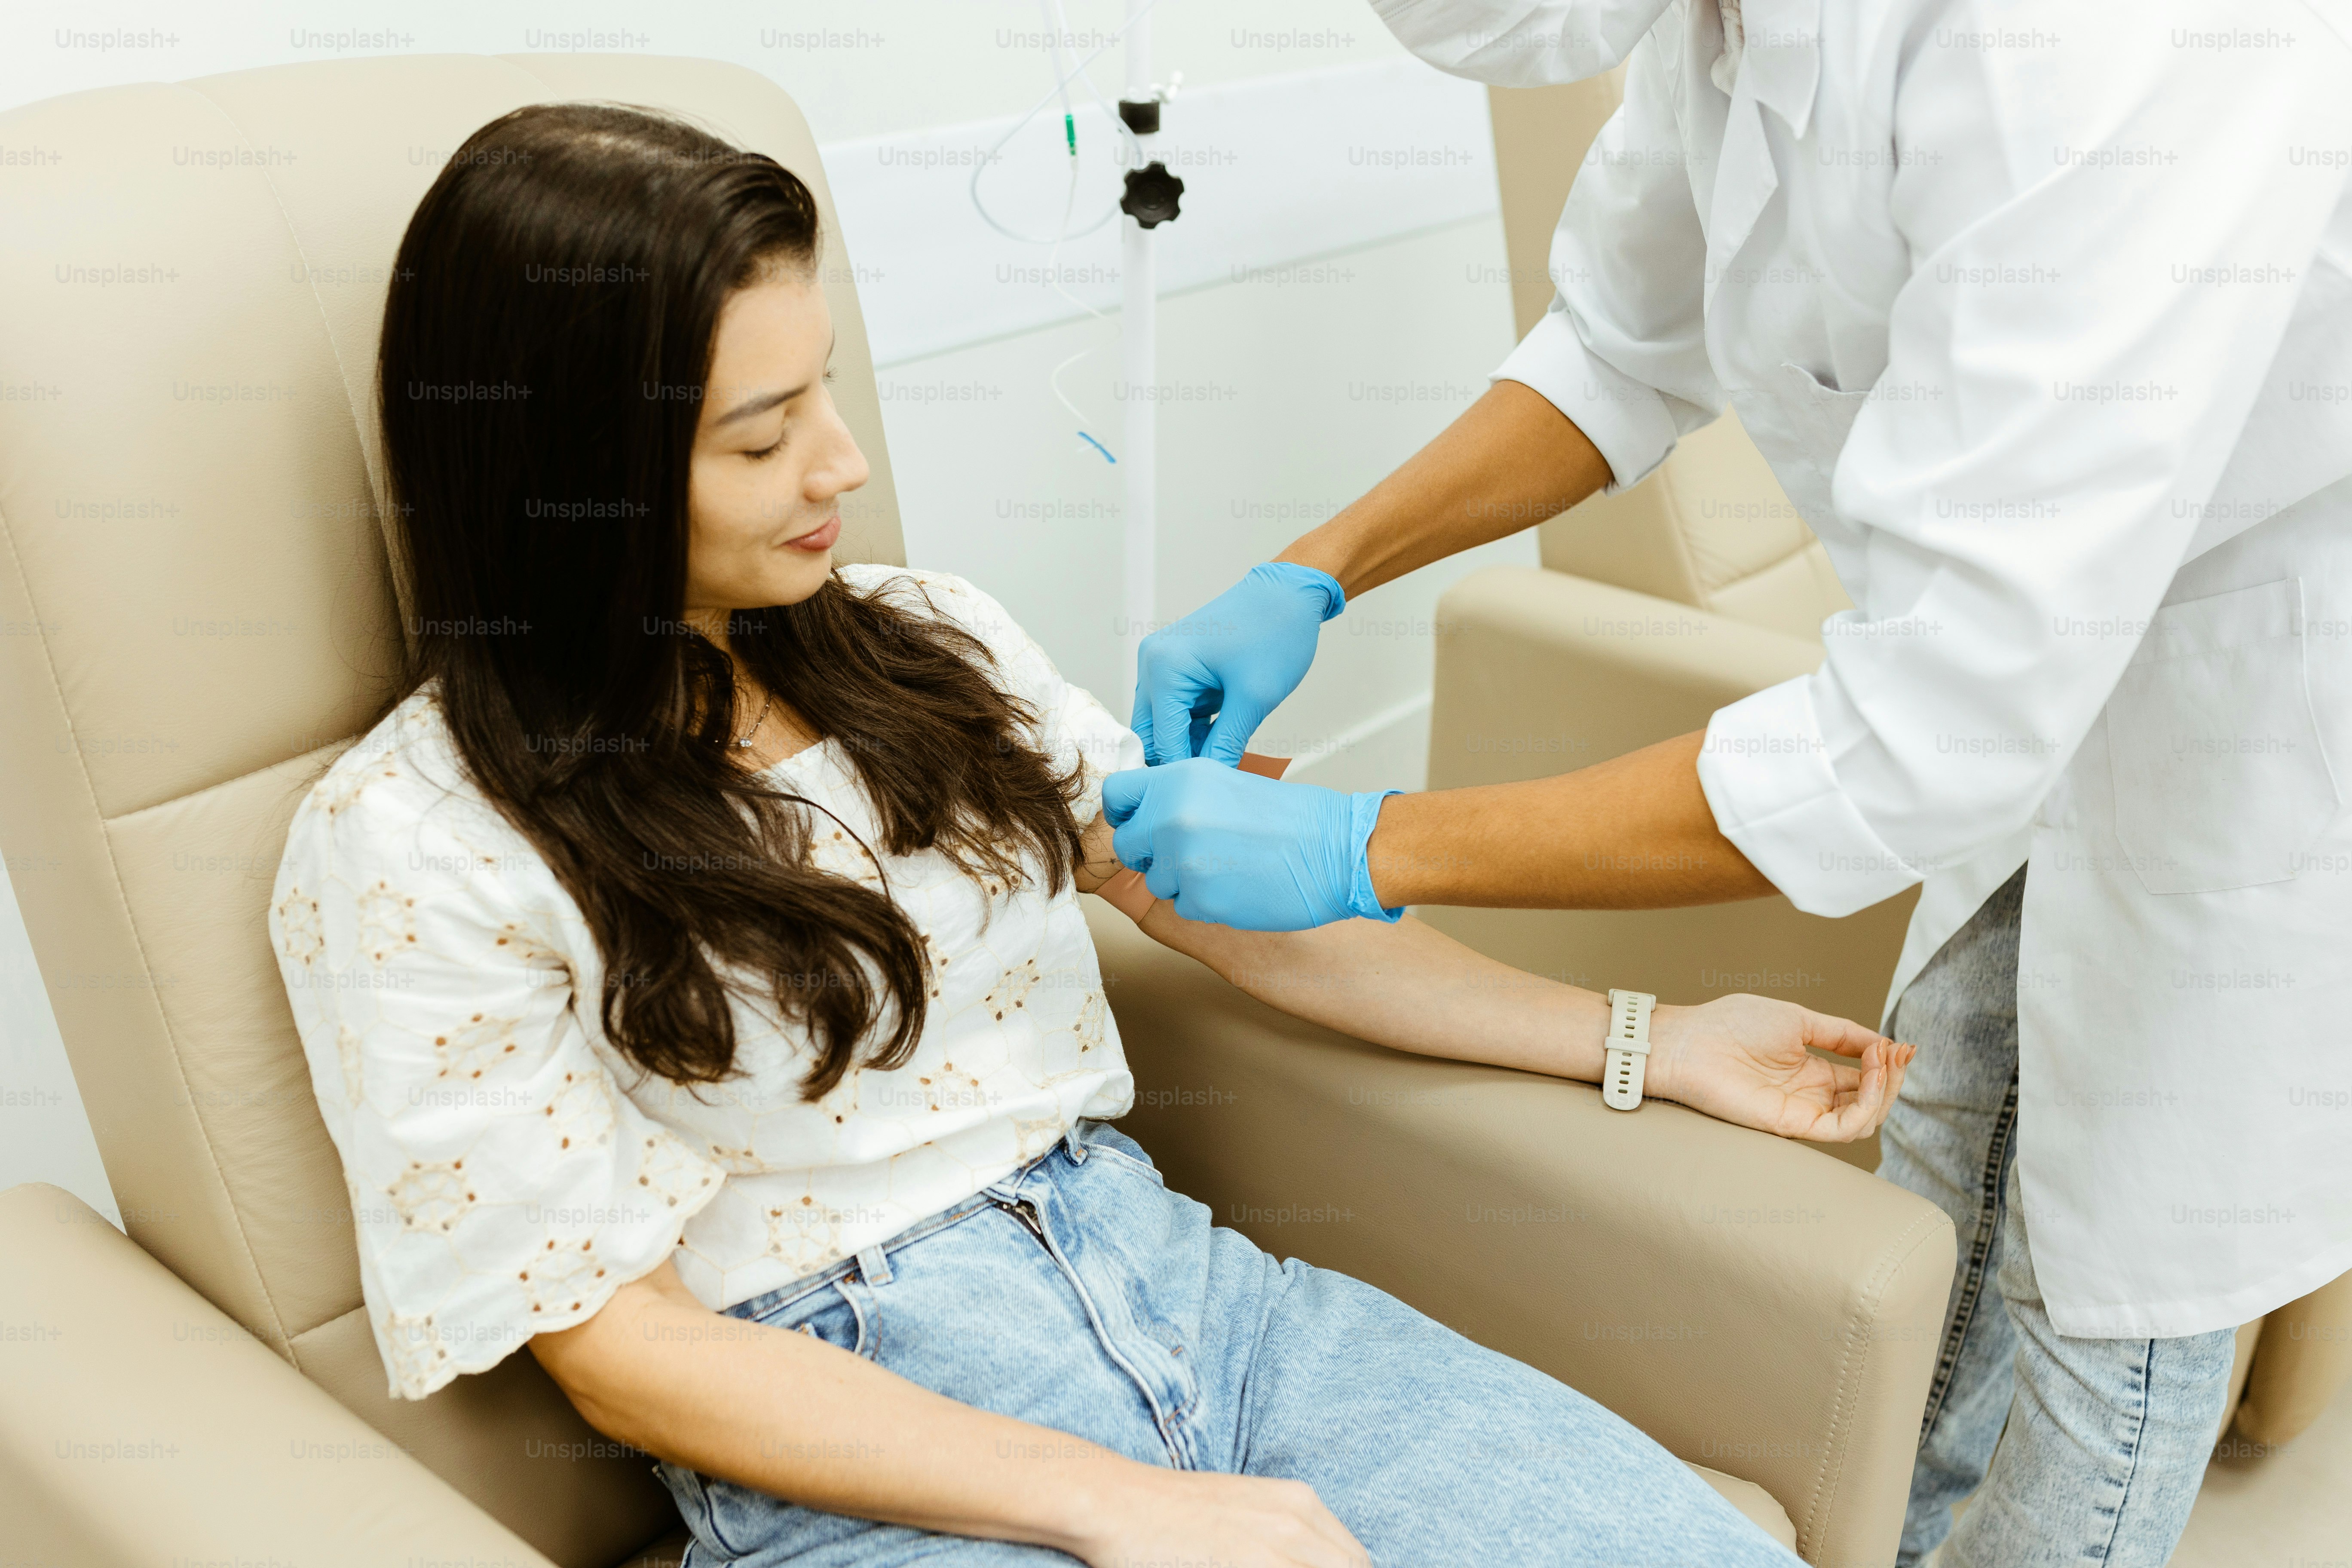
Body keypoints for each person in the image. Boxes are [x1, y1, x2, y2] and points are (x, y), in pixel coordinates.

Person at [264, 102, 1915, 1568]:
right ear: (574, 477)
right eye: (758, 438)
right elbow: (616, 1342)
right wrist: (1115, 1499)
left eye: (822, 389)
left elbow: (1228, 900)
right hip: (863, 1444)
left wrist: (1652, 1038)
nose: (840, 464)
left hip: (1207, 1303)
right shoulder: (419, 843)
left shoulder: (925, 639)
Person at [1105, 2, 2352, 1564]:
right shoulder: (1734, 28)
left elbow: (1923, 732)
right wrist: (1313, 569)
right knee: (1956, 1110)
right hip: (2034, 635)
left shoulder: (2086, 49)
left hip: (2260, 650)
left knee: (2127, 1280)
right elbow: (1622, 340)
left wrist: (1374, 842)